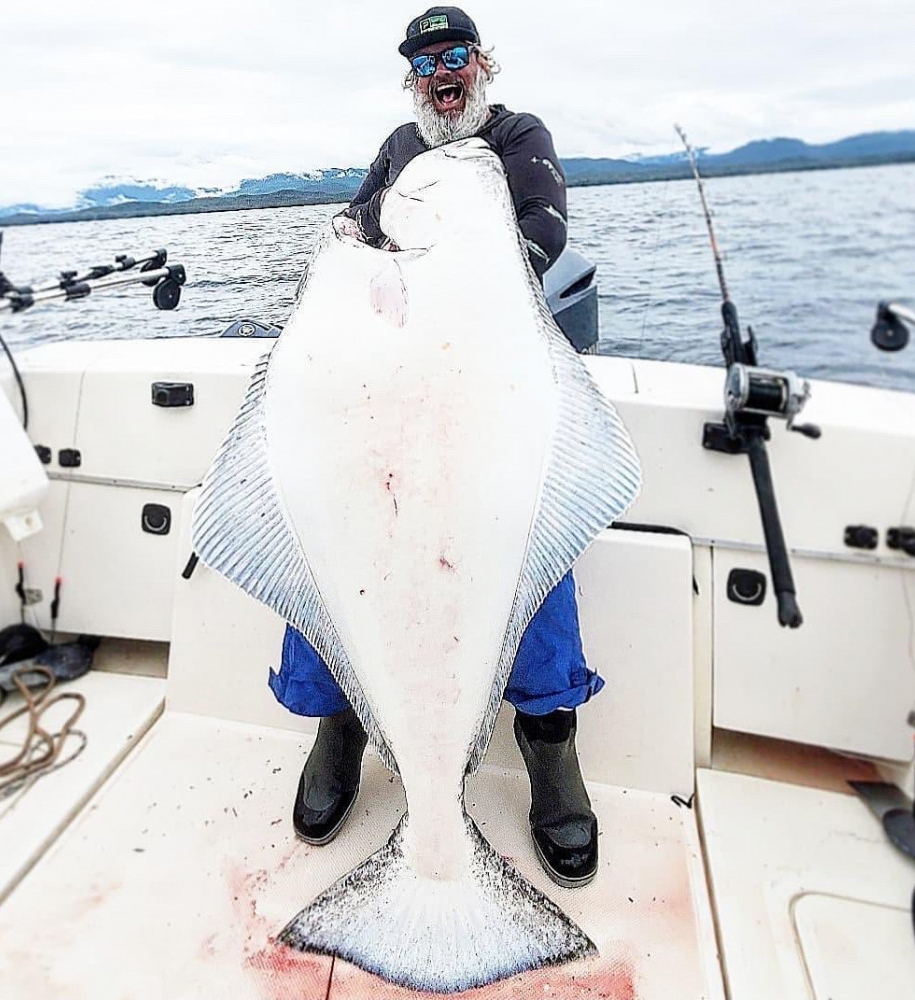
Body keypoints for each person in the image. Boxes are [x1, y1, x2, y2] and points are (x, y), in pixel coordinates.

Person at [268, 6, 602, 888]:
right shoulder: (396, 148)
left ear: (482, 63)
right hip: (393, 407)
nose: (441, 73)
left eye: (454, 55)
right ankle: (337, 727)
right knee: (326, 555)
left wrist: (454, 269)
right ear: (410, 79)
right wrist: (345, 245)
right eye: (424, 63)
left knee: (533, 562)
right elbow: (356, 228)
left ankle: (552, 755)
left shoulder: (516, 136)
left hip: (493, 398)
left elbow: (544, 235)